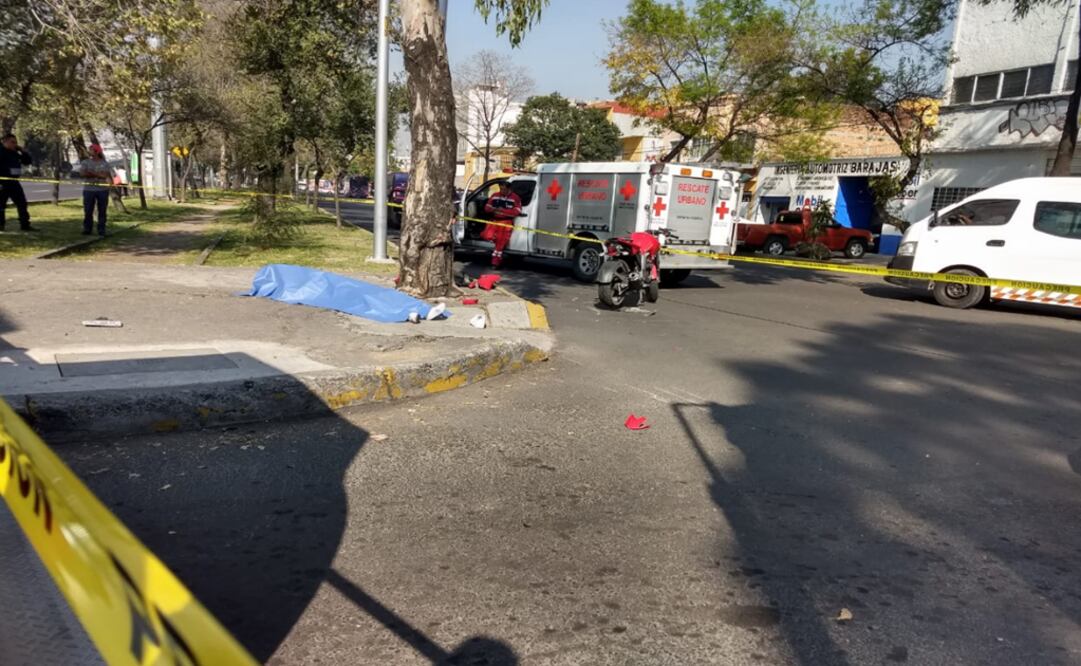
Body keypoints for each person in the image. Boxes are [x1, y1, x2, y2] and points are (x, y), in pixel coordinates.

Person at [0, 133, 34, 232]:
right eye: (12, 142)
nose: (15, 144)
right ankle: (1, 225)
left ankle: (25, 225)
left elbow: (27, 161)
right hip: (2, 182)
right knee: (1, 205)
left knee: (22, 203)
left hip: (14, 182)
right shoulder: (1, 151)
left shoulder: (15, 152)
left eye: (16, 142)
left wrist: (23, 151)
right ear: (5, 142)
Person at [76, 143, 112, 236]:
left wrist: (91, 172)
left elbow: (106, 175)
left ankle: (101, 229)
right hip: (89, 190)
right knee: (88, 210)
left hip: (102, 190)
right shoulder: (85, 162)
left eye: (91, 150)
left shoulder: (104, 163)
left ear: (97, 151)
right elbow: (82, 173)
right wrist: (98, 174)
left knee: (102, 210)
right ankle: (87, 229)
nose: (89, 151)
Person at [482, 182, 521, 267]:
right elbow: (487, 207)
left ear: (509, 189)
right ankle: (497, 246)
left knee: (500, 243)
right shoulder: (495, 195)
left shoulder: (515, 197)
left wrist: (503, 211)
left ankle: (495, 262)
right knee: (486, 235)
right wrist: (493, 209)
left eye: (504, 189)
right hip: (495, 220)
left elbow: (517, 211)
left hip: (506, 222)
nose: (502, 191)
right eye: (500, 189)